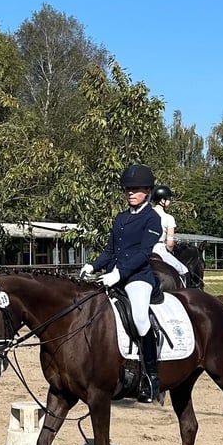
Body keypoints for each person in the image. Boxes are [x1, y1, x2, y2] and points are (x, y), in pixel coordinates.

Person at [79, 164, 162, 403]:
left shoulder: (153, 219)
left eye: (135, 189)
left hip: (138, 277)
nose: (130, 193)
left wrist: (119, 273)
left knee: (138, 316)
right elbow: (110, 251)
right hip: (113, 275)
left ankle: (151, 377)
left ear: (147, 191)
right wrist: (92, 265)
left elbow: (144, 253)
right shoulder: (121, 218)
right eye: (127, 189)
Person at [151, 185, 190, 288]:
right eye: (168, 199)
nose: (170, 201)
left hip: (143, 249)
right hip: (160, 250)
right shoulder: (169, 218)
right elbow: (169, 244)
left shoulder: (145, 214)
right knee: (184, 271)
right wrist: (170, 249)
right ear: (162, 200)